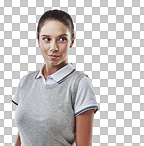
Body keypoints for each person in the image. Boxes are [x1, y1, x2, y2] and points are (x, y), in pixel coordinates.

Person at [12, 9, 99, 146]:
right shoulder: (26, 81)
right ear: (38, 41)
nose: (54, 47)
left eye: (62, 39)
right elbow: (22, 134)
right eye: (47, 39)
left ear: (72, 41)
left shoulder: (79, 84)